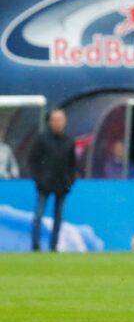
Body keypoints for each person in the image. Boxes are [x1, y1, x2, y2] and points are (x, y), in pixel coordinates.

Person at [29, 108, 75, 252]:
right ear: (50, 122)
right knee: (38, 216)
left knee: (58, 219)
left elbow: (72, 164)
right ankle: (35, 247)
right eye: (55, 120)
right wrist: (39, 179)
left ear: (65, 121)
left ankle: (53, 246)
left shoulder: (69, 141)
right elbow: (32, 161)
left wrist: (69, 182)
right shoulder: (42, 139)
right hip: (44, 185)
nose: (58, 123)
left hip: (62, 186)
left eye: (60, 119)